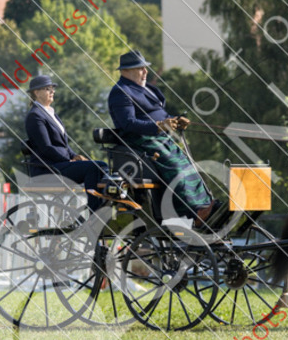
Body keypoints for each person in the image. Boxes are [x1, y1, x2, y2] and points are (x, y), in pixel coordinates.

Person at [107, 50, 215, 223]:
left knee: (189, 166)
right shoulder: (121, 92)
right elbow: (128, 123)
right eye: (141, 68)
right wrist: (157, 127)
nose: (145, 72)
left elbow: (160, 114)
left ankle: (205, 205)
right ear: (126, 71)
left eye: (145, 68)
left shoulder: (148, 90)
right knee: (175, 166)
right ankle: (193, 212)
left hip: (160, 140)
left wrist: (174, 121)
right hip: (140, 142)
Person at [24, 74, 107, 212]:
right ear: (36, 93)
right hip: (48, 170)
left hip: (60, 165)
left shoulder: (51, 114)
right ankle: (95, 213)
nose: (52, 91)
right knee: (93, 168)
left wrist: (75, 156)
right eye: (47, 88)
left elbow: (63, 145)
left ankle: (104, 207)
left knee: (102, 165)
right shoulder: (35, 116)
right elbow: (46, 148)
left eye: (52, 88)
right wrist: (69, 159)